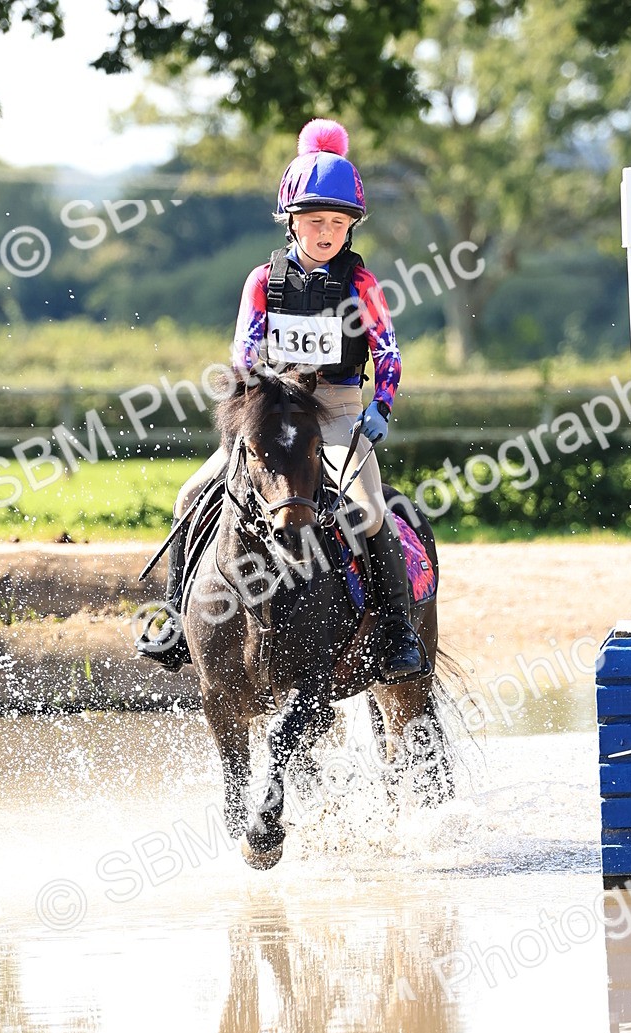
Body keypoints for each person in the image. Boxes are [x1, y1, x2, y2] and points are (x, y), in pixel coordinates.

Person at [137, 118, 423, 680]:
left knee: (367, 513)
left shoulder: (361, 285)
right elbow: (243, 350)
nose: (327, 232)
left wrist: (380, 407)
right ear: (292, 222)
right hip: (272, 412)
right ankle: (174, 620)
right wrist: (258, 397)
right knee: (189, 494)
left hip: (338, 408)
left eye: (338, 223)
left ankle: (395, 634)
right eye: (316, 221)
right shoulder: (262, 280)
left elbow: (387, 354)